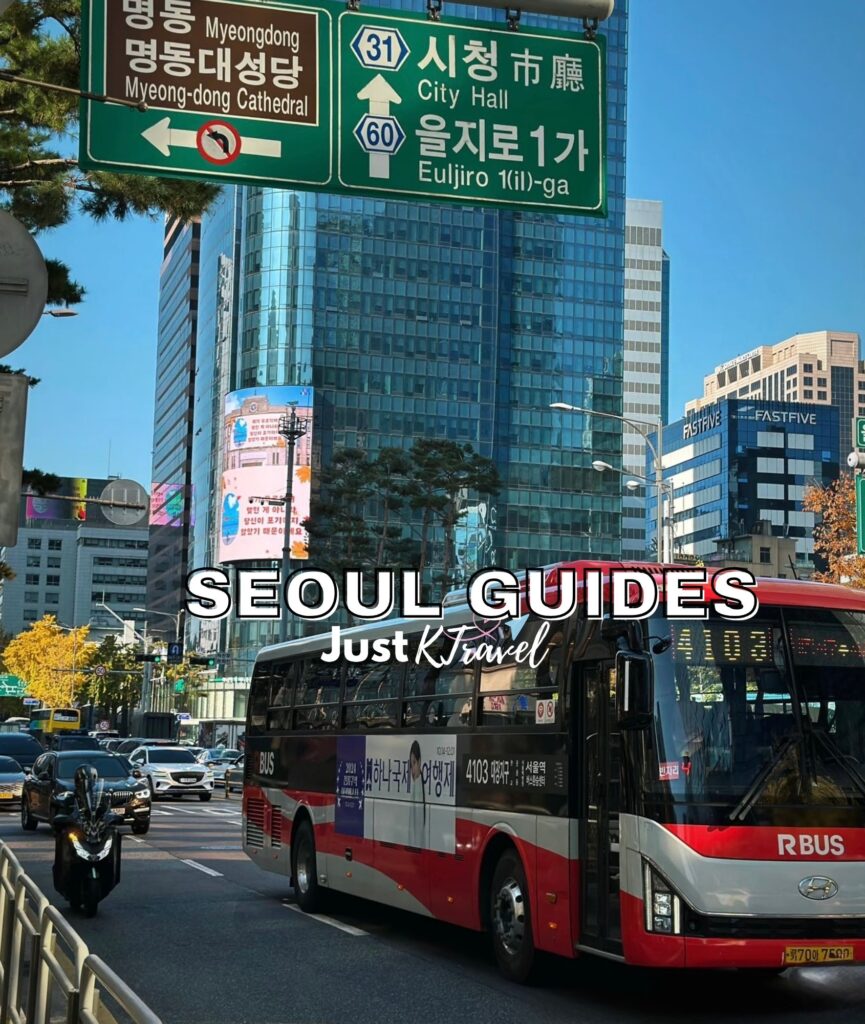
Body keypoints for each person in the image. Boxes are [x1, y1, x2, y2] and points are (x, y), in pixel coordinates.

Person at [408, 741, 425, 848]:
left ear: (419, 761)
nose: (412, 770)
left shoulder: (419, 787)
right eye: (411, 764)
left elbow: (418, 829)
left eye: (414, 763)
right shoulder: (416, 785)